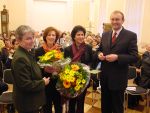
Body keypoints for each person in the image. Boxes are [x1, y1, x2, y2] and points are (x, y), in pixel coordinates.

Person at [97, 10, 138, 113]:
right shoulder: (105, 34)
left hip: (118, 78)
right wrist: (99, 54)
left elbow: (134, 56)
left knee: (117, 107)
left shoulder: (131, 35)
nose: (114, 22)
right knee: (105, 106)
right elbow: (99, 49)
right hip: (105, 77)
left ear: (123, 20)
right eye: (112, 19)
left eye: (117, 19)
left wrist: (118, 57)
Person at [11, 25, 50, 113]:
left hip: (32, 101)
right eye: (28, 38)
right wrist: (43, 82)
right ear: (19, 40)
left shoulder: (28, 52)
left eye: (32, 37)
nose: (32, 41)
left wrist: (45, 70)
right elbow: (25, 84)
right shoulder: (20, 58)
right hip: (27, 103)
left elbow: (32, 70)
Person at [64, 25, 93, 113]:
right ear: (74, 36)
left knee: (81, 101)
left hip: (84, 79)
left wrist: (87, 69)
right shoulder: (67, 49)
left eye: (82, 34)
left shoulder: (88, 48)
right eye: (78, 35)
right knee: (72, 101)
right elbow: (66, 65)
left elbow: (91, 61)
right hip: (71, 79)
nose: (81, 37)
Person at [35, 26, 62, 113]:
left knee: (59, 106)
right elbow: (36, 68)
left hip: (58, 82)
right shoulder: (38, 51)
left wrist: (59, 69)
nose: (51, 37)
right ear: (45, 37)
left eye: (53, 35)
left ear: (56, 37)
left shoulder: (60, 50)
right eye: (49, 35)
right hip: (45, 82)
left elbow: (64, 66)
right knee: (46, 107)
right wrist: (44, 70)